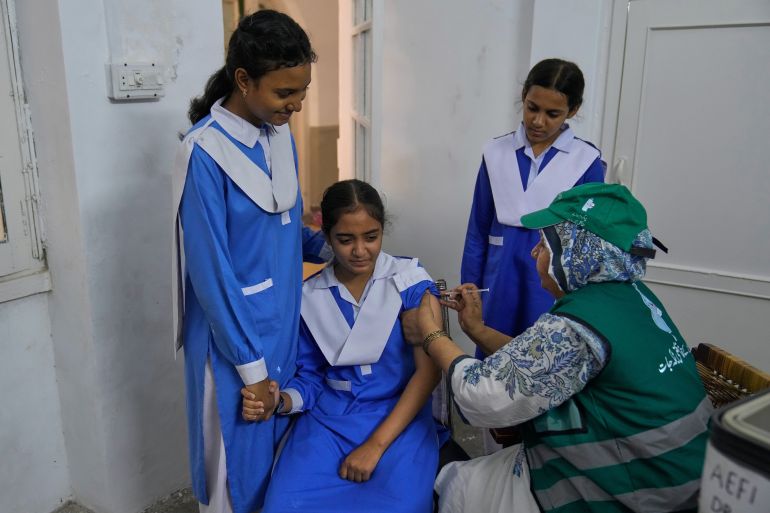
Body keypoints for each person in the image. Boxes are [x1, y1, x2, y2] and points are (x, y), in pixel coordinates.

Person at [415, 183, 711, 512]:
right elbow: (548, 366)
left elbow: (483, 395)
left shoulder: (577, 323)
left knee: (456, 486)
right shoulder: (631, 297)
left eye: (543, 244)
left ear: (576, 253)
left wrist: (432, 333)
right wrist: (477, 329)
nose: (534, 253)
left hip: (638, 490)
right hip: (680, 473)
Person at [171, 10, 329, 513]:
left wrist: (340, 249)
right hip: (232, 340)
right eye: (286, 93)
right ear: (244, 80)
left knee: (276, 462)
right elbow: (212, 275)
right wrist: (251, 367)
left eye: (301, 92)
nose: (297, 105)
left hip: (281, 324)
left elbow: (280, 232)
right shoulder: (204, 154)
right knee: (233, 472)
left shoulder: (278, 134)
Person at [242, 179, 442, 513]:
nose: (360, 250)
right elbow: (312, 379)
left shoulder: (410, 280)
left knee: (401, 506)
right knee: (282, 506)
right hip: (327, 423)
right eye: (345, 240)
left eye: (371, 237)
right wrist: (280, 400)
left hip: (397, 419)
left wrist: (375, 446)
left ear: (382, 231)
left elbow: (428, 374)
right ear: (326, 237)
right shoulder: (309, 296)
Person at [461, 58, 605, 348]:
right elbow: (478, 228)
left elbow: (587, 243)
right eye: (532, 108)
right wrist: (471, 286)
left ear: (572, 111)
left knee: (543, 362)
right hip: (498, 280)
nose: (538, 121)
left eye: (553, 113)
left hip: (550, 286)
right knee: (492, 366)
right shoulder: (496, 152)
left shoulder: (585, 161)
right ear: (524, 96)